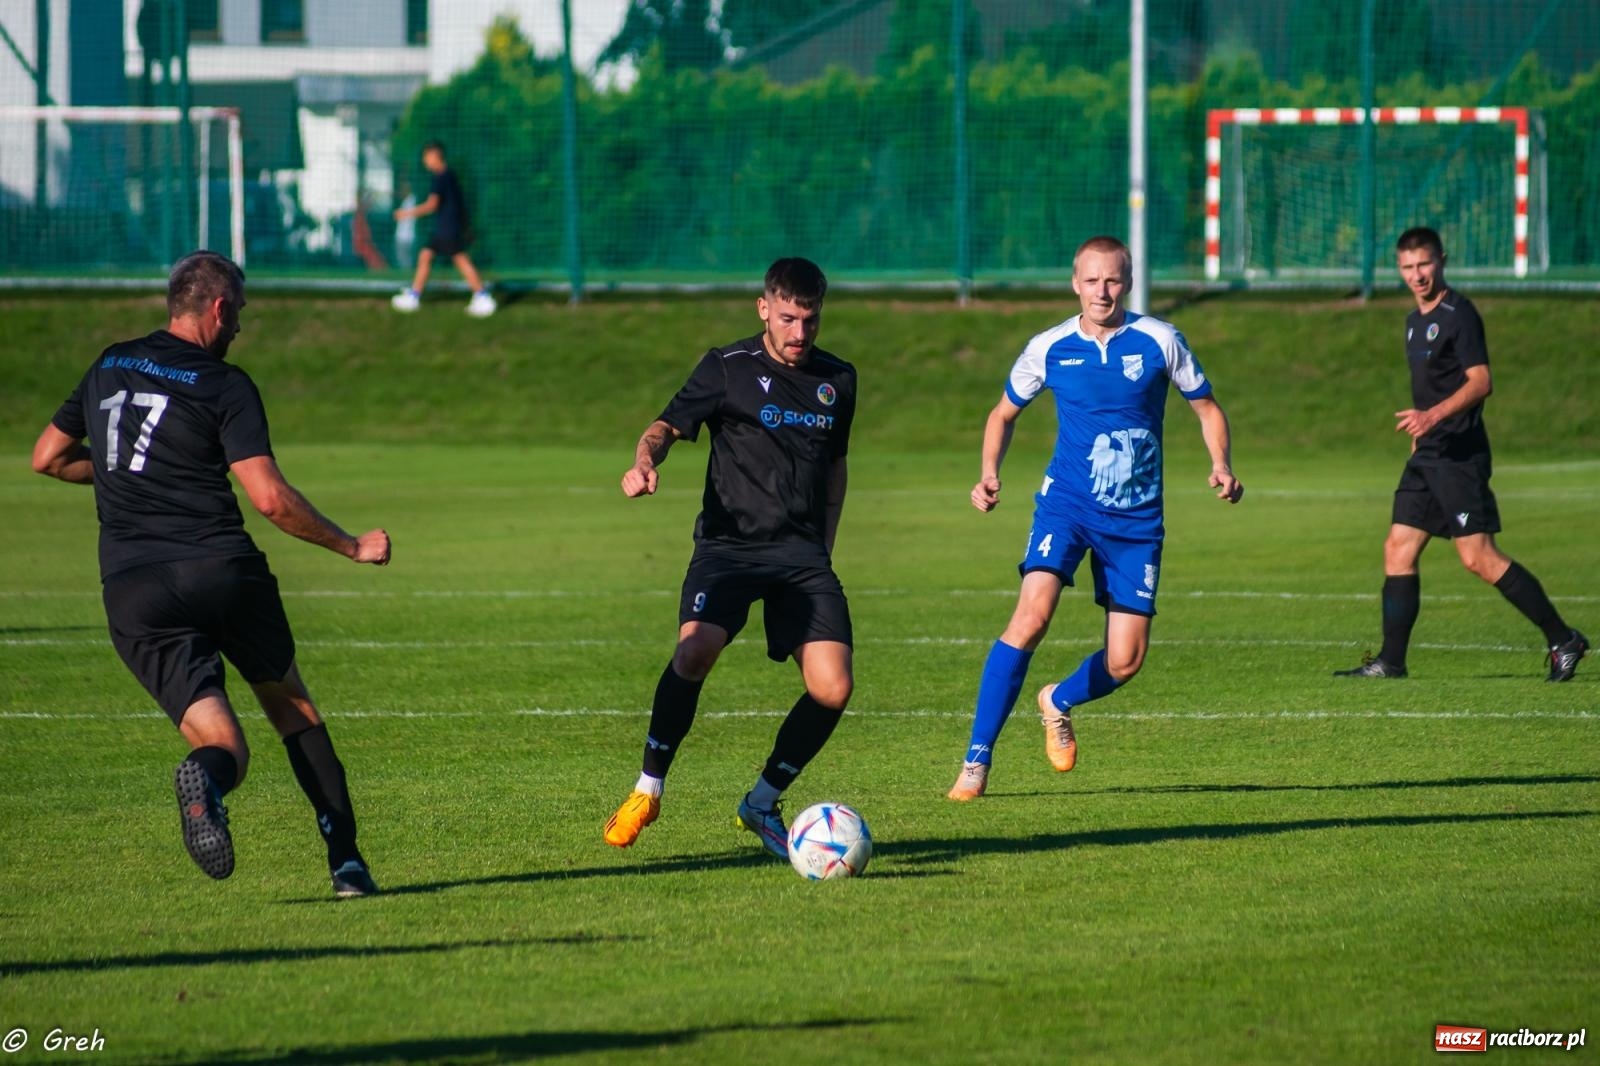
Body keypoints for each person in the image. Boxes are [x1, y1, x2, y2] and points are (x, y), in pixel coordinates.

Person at [31, 251, 393, 897]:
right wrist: (350, 545)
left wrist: (122, 477)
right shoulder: (226, 385)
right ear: (219, 308)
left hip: (133, 591)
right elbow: (270, 499)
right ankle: (348, 866)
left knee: (225, 745)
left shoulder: (108, 362)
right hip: (219, 569)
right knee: (291, 707)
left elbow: (49, 457)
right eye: (240, 316)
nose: (239, 331)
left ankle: (210, 781)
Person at [948, 236, 1244, 801]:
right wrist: (989, 470)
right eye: (1091, 280)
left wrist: (1221, 464)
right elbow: (1002, 413)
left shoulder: (1160, 340)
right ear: (1074, 283)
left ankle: (1056, 700)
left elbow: (1205, 406)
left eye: (1112, 280)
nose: (1101, 291)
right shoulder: (1050, 347)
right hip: (1067, 505)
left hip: (1135, 521)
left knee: (1126, 660)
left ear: (1126, 282)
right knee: (1031, 617)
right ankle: (975, 763)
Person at [603, 257, 857, 859]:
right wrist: (644, 461)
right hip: (729, 548)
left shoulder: (838, 380)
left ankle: (762, 802)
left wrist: (825, 545)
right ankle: (648, 788)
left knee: (833, 687)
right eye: (789, 318)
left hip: (800, 555)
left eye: (811, 321)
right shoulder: (728, 367)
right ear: (764, 307)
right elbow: (665, 426)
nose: (800, 333)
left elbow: (836, 469)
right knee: (694, 650)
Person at [1334, 227, 1586, 682]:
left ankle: (1562, 638)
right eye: (1408, 267)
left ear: (1441, 261)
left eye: (1424, 265)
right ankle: (1391, 662)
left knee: (1478, 558)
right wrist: (1421, 433)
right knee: (1398, 548)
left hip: (1459, 457)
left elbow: (1480, 381)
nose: (1418, 275)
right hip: (1426, 456)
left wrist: (1432, 418)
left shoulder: (1459, 315)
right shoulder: (1413, 321)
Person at [390, 141, 496, 317]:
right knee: (426, 256)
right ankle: (414, 297)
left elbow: (432, 205)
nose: (425, 162)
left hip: (447, 229)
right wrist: (466, 226)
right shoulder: (449, 175)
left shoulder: (441, 177)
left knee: (460, 259)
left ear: (434, 156)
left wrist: (406, 213)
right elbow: (459, 204)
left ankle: (483, 297)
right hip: (446, 227)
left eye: (426, 157)